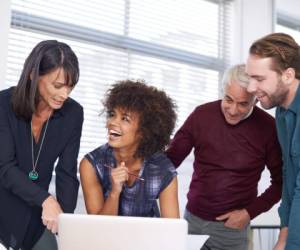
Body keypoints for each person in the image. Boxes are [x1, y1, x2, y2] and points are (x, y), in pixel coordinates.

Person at [166, 64, 282, 250]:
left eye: (243, 103)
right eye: (228, 99)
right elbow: (169, 161)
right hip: (192, 222)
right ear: (222, 91)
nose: (233, 110)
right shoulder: (201, 115)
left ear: (256, 100)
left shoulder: (268, 128)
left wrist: (249, 213)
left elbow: (281, 182)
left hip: (232, 230)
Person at [0, 40, 83, 250]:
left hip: (35, 214)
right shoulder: (3, 105)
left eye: (70, 86)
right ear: (33, 76)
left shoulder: (73, 113)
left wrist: (66, 221)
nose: (65, 94)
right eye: (58, 85)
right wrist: (47, 200)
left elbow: (66, 172)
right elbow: (5, 167)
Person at [80, 80, 179, 218]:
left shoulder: (163, 170)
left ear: (145, 130)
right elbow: (99, 227)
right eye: (112, 114)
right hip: (107, 237)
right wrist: (114, 192)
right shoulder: (91, 164)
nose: (112, 122)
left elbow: (172, 230)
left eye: (125, 118)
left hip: (148, 238)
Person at [246, 33, 300, 250]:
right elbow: (290, 175)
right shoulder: (281, 112)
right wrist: (284, 235)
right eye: (250, 77)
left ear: (287, 75)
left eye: (259, 79)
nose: (250, 88)